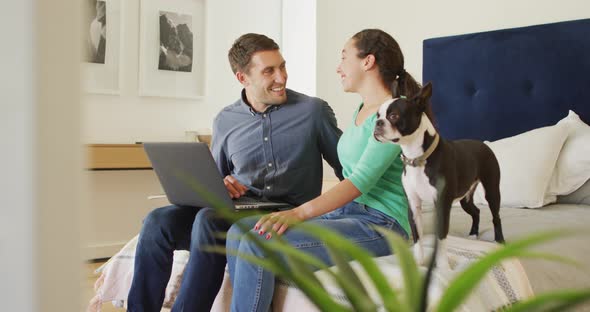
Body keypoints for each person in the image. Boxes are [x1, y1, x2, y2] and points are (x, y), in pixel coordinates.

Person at [127, 33, 344, 312]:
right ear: (243, 78)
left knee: (209, 219)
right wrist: (223, 183)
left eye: (282, 66)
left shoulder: (312, 112)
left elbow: (348, 169)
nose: (282, 77)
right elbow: (215, 181)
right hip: (238, 208)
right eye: (269, 71)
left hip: (283, 213)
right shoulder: (225, 120)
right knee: (158, 220)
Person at [226, 28, 422, 311]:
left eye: (344, 57)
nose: (339, 67)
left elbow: (360, 180)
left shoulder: (395, 115)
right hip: (349, 213)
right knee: (239, 232)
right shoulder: (363, 110)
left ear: (367, 62)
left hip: (382, 225)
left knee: (260, 242)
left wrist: (298, 213)